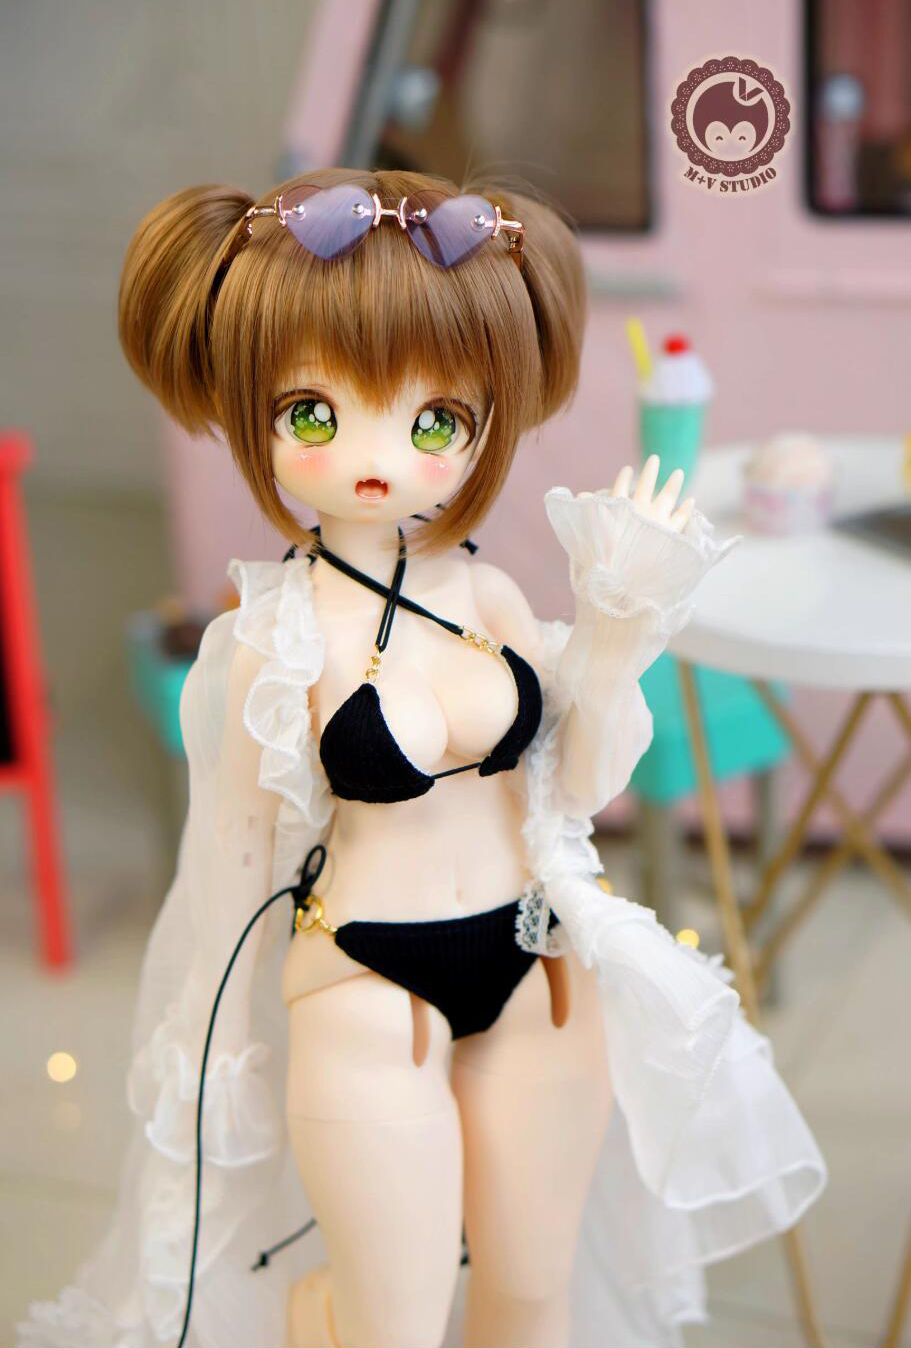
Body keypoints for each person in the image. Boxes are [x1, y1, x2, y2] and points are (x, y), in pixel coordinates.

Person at [18, 168, 825, 1348]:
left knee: (530, 1298)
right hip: (363, 986)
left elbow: (578, 785)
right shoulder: (274, 638)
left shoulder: (486, 593)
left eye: (433, 421)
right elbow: (231, 852)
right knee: (386, 1324)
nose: (375, 457)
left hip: (536, 968)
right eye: (312, 413)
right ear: (246, 407)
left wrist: (612, 637)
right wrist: (207, 1042)